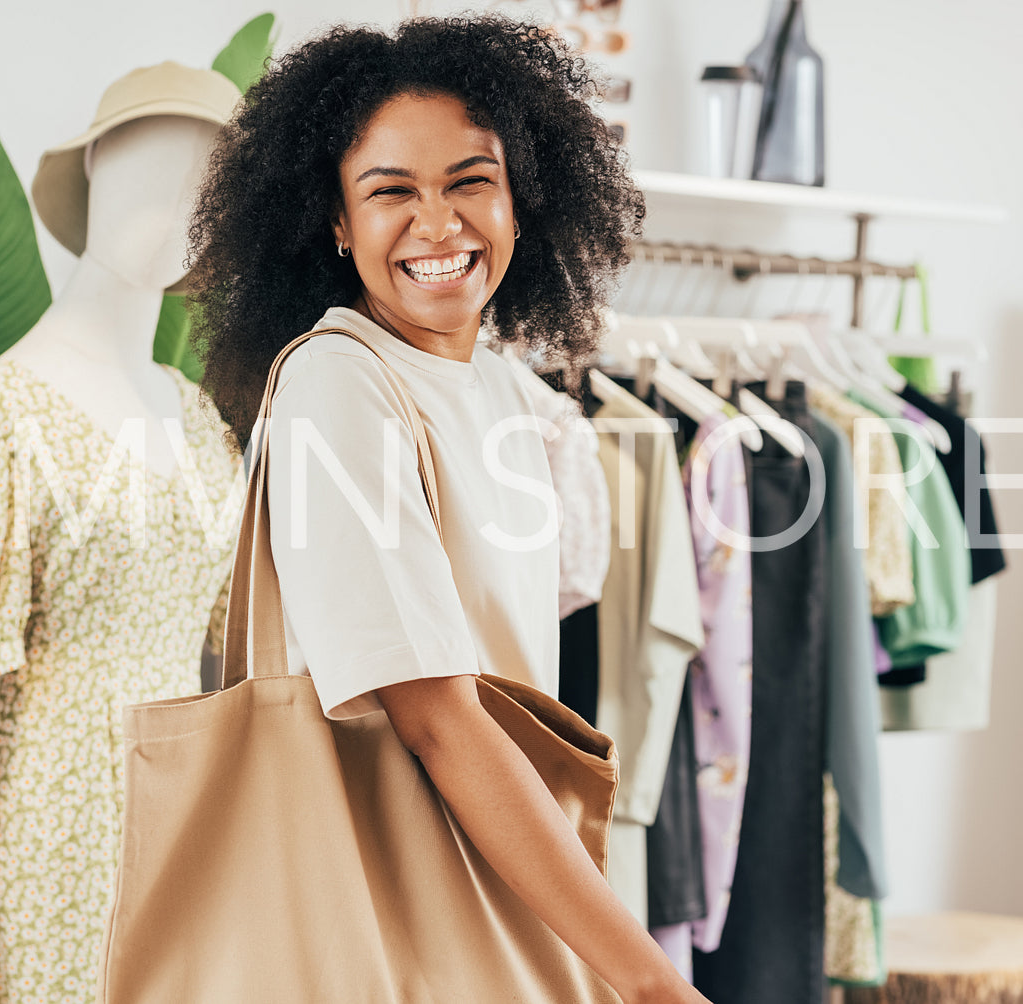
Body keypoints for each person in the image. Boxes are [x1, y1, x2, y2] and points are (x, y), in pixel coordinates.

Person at [189, 17, 710, 1004]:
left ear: (521, 198)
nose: (438, 224)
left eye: (470, 181)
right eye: (390, 191)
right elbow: (439, 719)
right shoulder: (339, 385)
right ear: (335, 222)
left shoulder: (504, 394)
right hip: (392, 925)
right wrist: (648, 979)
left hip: (494, 902)